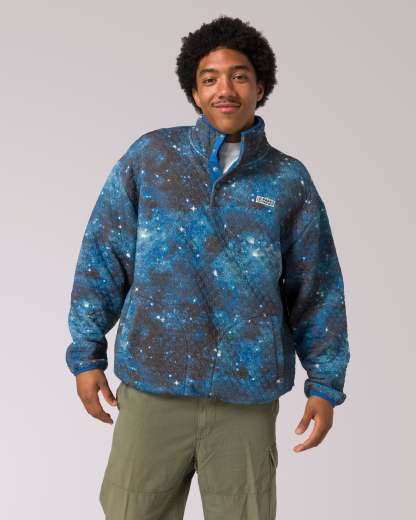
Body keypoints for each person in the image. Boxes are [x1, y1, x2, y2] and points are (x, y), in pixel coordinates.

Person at [66, 15, 351, 520]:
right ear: (194, 92)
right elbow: (102, 258)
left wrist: (325, 384)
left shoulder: (288, 180)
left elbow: (317, 288)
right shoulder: (151, 158)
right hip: (152, 390)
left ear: (261, 87)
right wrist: (86, 356)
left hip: (246, 399)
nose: (225, 89)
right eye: (210, 78)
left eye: (239, 76)